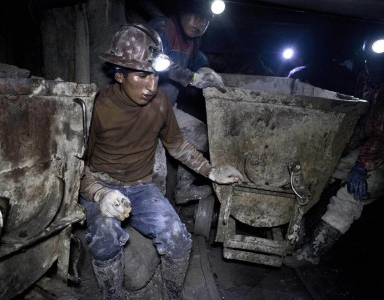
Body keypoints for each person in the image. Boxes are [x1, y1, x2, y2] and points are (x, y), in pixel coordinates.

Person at [79, 24, 244, 299]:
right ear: (119, 75)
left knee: (178, 239)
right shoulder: (96, 107)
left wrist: (211, 171)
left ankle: (171, 294)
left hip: (141, 187)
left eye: (155, 76)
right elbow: (76, 164)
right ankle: (112, 294)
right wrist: (99, 192)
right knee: (105, 235)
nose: (151, 86)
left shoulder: (161, 103)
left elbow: (176, 144)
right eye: (142, 76)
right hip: (103, 187)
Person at [283, 34, 384, 268]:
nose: (372, 67)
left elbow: (381, 133)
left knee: (350, 195)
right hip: (370, 147)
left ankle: (313, 252)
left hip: (380, 152)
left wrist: (360, 167)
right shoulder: (366, 79)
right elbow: (364, 121)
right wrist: (341, 150)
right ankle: (296, 231)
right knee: (325, 173)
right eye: (370, 62)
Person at [149, 0, 227, 203]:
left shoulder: (193, 41)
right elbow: (157, 61)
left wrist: (207, 71)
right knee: (157, 171)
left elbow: (198, 61)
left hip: (168, 108)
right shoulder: (163, 27)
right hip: (144, 110)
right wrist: (193, 78)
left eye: (207, 21)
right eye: (197, 16)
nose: (201, 23)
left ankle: (183, 189)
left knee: (201, 135)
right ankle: (152, 212)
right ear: (183, 10)